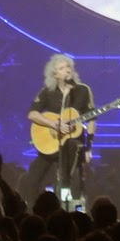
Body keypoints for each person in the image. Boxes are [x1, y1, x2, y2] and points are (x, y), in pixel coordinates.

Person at [24, 53, 93, 202]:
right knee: (30, 182)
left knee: (68, 185)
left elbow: (92, 120)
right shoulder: (48, 92)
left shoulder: (83, 90)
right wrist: (54, 124)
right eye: (62, 68)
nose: (67, 70)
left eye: (68, 66)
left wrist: (89, 147)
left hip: (73, 146)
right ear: (54, 74)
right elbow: (32, 114)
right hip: (51, 144)